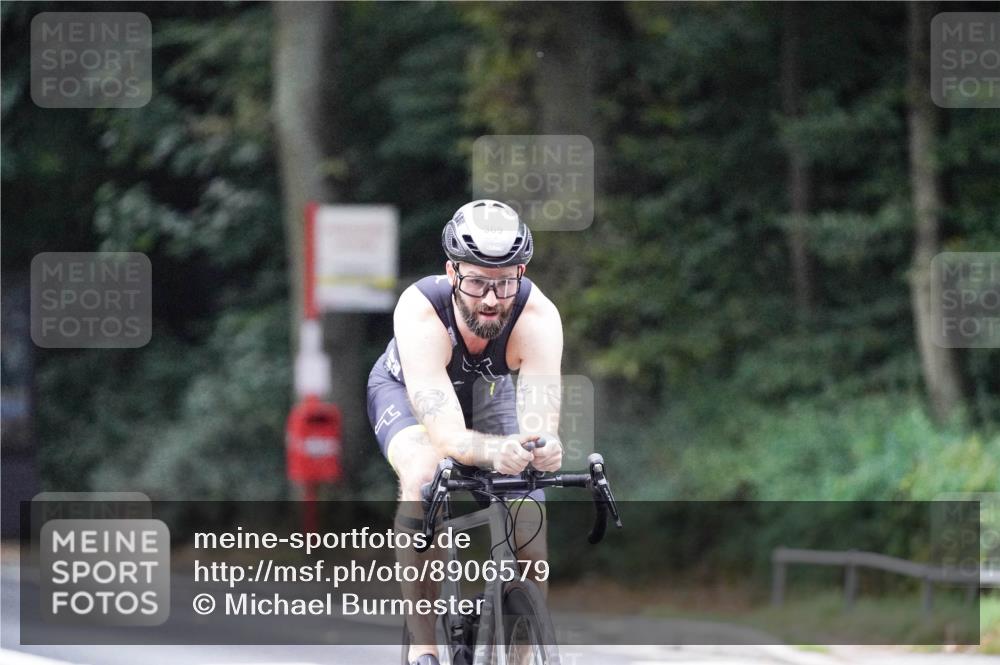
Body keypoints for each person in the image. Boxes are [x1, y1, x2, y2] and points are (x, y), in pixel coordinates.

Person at [366, 199, 564, 665]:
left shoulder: (538, 318)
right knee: (424, 472)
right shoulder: (421, 313)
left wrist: (544, 448)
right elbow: (448, 437)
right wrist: (498, 453)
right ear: (452, 273)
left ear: (522, 273)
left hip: (487, 396)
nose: (492, 299)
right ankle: (424, 646)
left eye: (504, 283)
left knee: (531, 531)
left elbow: (538, 425)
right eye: (477, 282)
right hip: (408, 395)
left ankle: (519, 654)